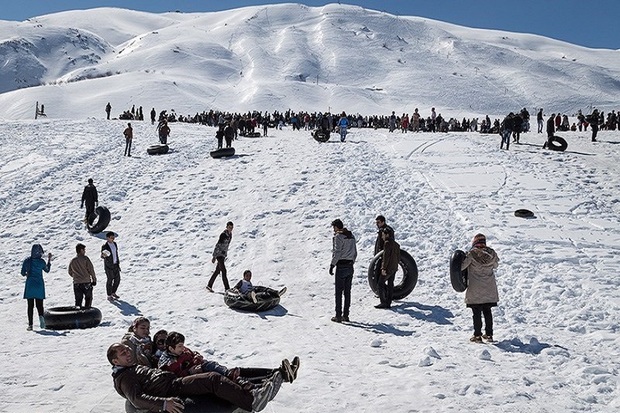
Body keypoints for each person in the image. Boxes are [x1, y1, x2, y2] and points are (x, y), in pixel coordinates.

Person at [108, 343, 282, 413]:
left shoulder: (131, 368)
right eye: (123, 353)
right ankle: (253, 401)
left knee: (214, 375)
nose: (127, 353)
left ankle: (259, 387)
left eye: (127, 350)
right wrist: (163, 403)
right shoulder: (124, 377)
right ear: (115, 361)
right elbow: (136, 398)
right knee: (212, 378)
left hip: (174, 383)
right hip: (172, 389)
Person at [159, 332, 299, 385]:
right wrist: (190, 372)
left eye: (183, 345)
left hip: (206, 369)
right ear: (170, 348)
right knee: (233, 379)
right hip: (199, 379)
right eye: (179, 347)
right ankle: (281, 376)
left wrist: (196, 356)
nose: (183, 349)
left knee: (239, 371)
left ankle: (279, 371)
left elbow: (193, 353)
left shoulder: (181, 351)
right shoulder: (167, 360)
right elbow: (173, 379)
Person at [460, 233, 499, 343]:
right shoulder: (492, 253)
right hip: (489, 287)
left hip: (475, 288)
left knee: (476, 312)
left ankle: (477, 335)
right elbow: (495, 265)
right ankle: (489, 334)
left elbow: (462, 266)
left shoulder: (472, 254)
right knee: (487, 311)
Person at [329, 219, 357, 323]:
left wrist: (332, 264)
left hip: (341, 266)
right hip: (350, 266)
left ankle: (338, 315)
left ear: (336, 227)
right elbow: (355, 252)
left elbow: (337, 252)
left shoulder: (338, 237)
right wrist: (352, 262)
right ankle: (346, 315)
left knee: (338, 292)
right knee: (347, 292)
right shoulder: (351, 236)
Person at [21, 244, 51, 331]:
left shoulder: (27, 261)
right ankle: (42, 320)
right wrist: (49, 260)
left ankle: (30, 325)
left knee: (30, 306)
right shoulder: (41, 262)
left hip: (30, 285)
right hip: (39, 285)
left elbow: (23, 272)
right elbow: (47, 270)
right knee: (39, 305)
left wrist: (27, 274)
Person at [376, 228, 400, 309]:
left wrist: (383, 268)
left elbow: (386, 257)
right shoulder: (396, 245)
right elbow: (398, 257)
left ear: (387, 235)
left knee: (380, 283)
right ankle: (388, 302)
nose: (382, 236)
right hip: (394, 268)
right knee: (390, 285)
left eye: (383, 234)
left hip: (388, 268)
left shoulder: (387, 243)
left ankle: (383, 302)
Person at [207, 222, 234, 292]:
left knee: (217, 271)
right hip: (219, 255)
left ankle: (209, 285)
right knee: (224, 271)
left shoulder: (230, 235)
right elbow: (218, 245)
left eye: (232, 227)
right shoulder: (223, 235)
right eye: (229, 227)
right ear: (227, 227)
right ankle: (227, 288)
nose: (231, 229)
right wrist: (214, 256)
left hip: (223, 255)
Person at [68, 243, 97, 308]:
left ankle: (78, 316)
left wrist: (75, 276)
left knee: (78, 301)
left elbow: (69, 271)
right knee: (88, 299)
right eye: (84, 250)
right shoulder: (85, 259)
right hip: (86, 282)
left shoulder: (73, 260)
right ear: (81, 250)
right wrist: (94, 279)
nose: (85, 251)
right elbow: (91, 269)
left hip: (77, 283)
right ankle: (87, 314)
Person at [101, 231, 121, 301]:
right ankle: (109, 295)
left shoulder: (115, 244)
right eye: (112, 237)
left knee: (117, 279)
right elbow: (102, 256)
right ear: (107, 238)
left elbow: (116, 253)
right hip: (109, 266)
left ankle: (113, 292)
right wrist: (104, 255)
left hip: (116, 264)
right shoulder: (105, 246)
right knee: (110, 280)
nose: (113, 239)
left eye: (113, 237)